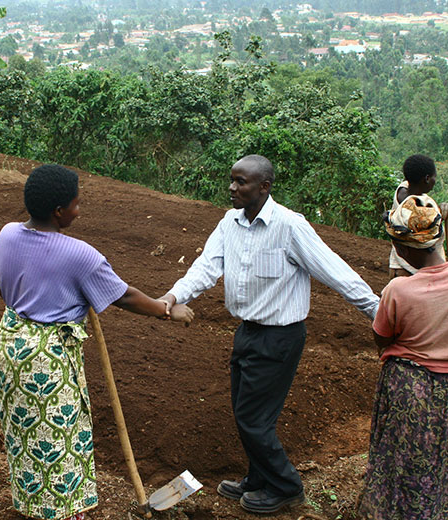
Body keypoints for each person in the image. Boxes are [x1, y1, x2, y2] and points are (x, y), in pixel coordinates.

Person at [158, 154, 379, 514]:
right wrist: (172, 296)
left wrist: (377, 310)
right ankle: (259, 478)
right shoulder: (230, 223)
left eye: (241, 182)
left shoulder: (290, 226)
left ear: (264, 186)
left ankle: (286, 486)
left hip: (280, 337)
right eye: (231, 180)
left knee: (253, 418)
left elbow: (335, 271)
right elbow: (206, 268)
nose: (232, 188)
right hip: (246, 332)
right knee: (245, 411)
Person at [0, 164, 193, 520]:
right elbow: (124, 296)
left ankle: (31, 506)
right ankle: (63, 513)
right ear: (58, 211)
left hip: (9, 344)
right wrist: (167, 310)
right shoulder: (79, 254)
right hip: (45, 358)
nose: (80, 211)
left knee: (23, 431)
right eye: (77, 205)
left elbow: (2, 285)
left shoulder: (6, 234)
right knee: (58, 436)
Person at [358, 194, 448, 519]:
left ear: (402, 251)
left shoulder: (398, 291)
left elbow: (382, 337)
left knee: (403, 459)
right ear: (437, 235)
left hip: (409, 388)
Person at [388, 154, 448, 278]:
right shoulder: (420, 207)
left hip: (398, 266)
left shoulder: (401, 190)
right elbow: (423, 218)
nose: (435, 181)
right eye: (434, 177)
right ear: (427, 179)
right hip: (414, 271)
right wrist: (442, 210)